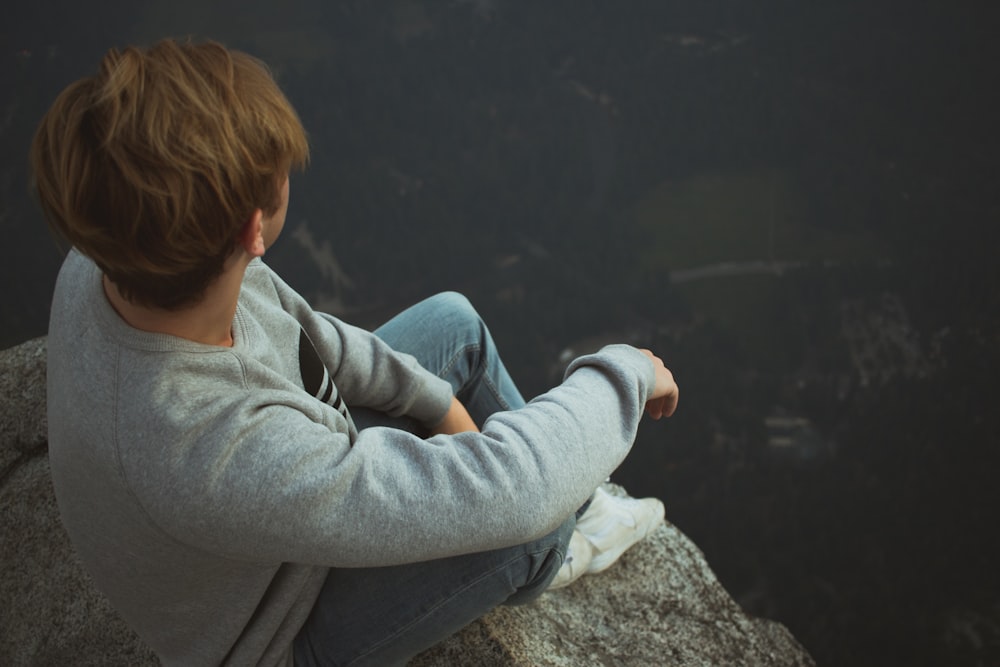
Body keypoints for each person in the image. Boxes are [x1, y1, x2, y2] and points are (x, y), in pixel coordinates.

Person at [31, 39, 679, 667]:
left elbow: (309, 334)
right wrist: (625, 370)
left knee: (454, 325)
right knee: (526, 527)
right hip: (279, 628)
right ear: (253, 228)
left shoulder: (122, 251)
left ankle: (574, 500)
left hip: (276, 518)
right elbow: (518, 493)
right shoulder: (207, 447)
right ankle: (561, 547)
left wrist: (443, 409)